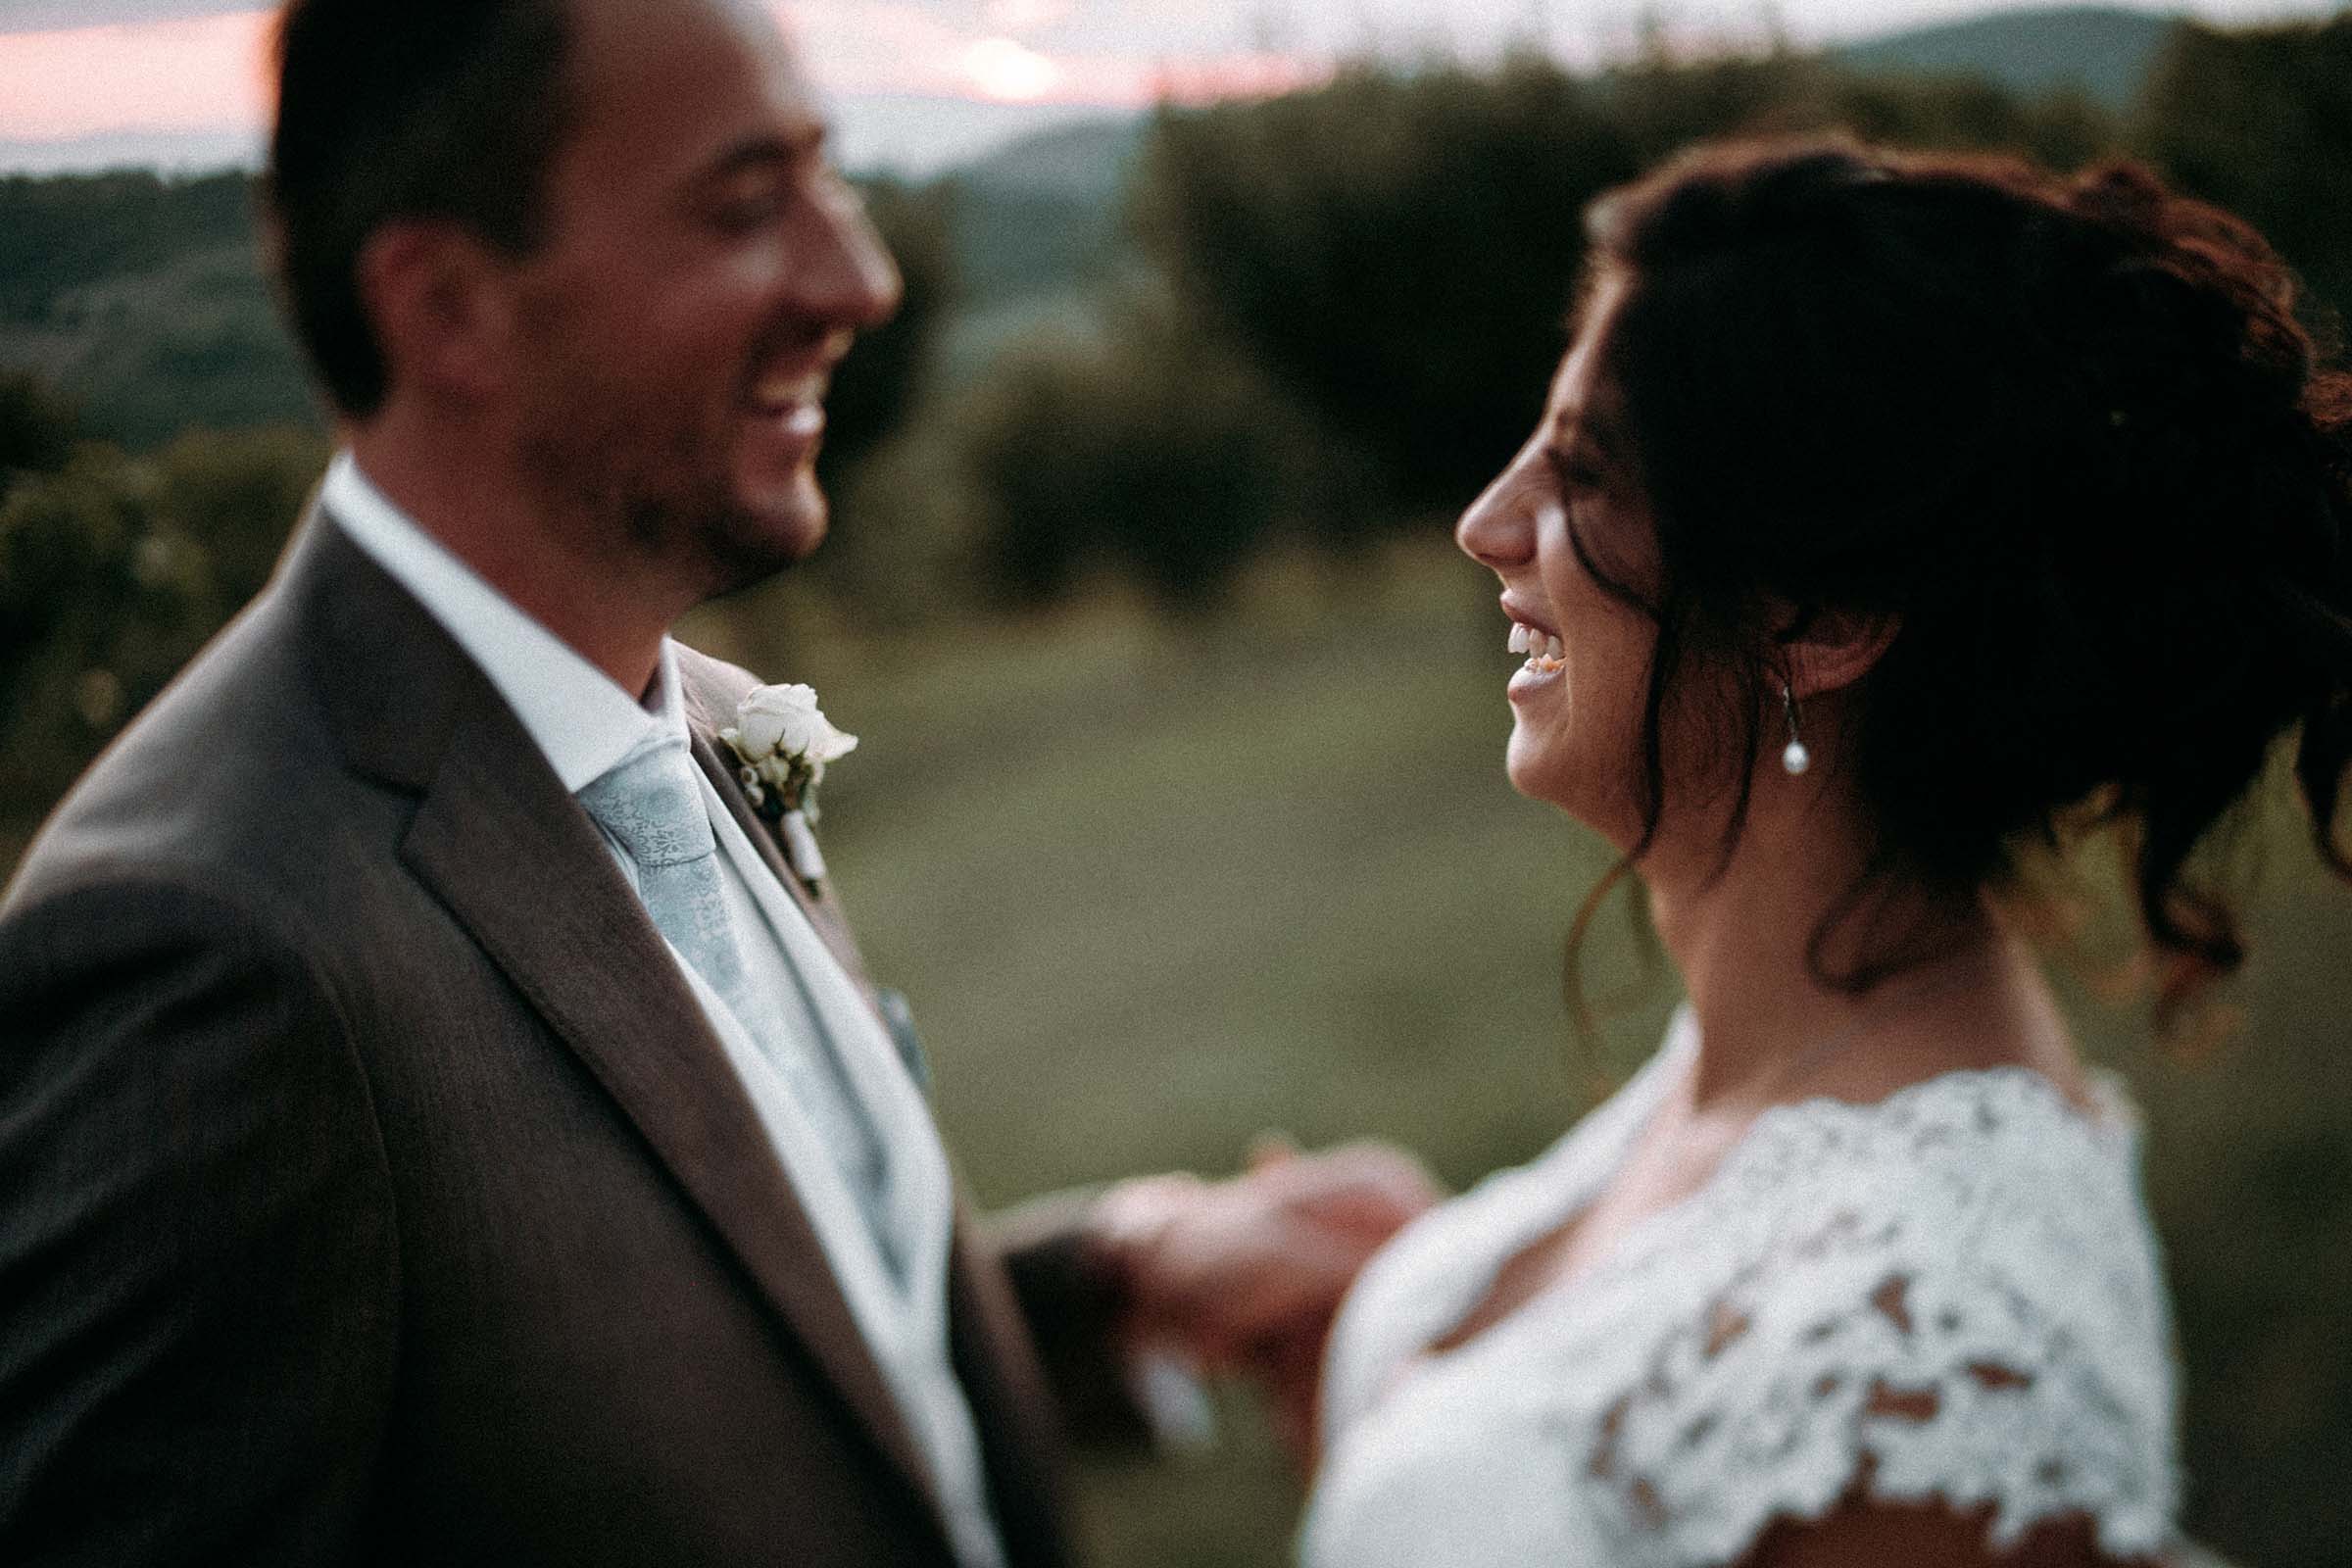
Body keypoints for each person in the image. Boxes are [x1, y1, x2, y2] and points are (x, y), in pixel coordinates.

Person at [0, 1, 1419, 1562]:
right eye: (747, 208)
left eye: (832, 181)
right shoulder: (203, 947)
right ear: (449, 307)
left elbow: (651, 1351)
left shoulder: (698, 725)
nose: (855, 280)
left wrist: (1122, 1277)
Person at [1115, 138, 2352, 1566]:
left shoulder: (1924, 1369)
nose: (1486, 523)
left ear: (1824, 617)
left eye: (1583, 471)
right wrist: (1377, 1333)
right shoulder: (1782, 1052)